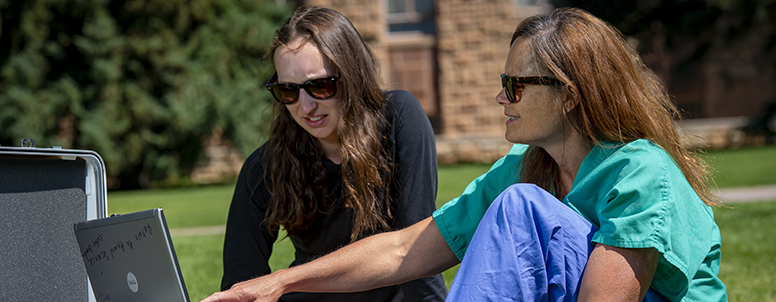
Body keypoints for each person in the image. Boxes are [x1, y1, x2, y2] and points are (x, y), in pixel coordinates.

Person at [204, 7, 728, 302]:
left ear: (569, 94)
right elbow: (404, 250)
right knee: (520, 203)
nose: (501, 97)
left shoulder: (638, 171)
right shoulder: (528, 168)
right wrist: (276, 283)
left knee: (522, 208)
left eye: (515, 85)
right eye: (287, 91)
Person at [218, 5, 446, 302]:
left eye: (320, 86)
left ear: (352, 76)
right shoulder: (265, 166)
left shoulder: (398, 120)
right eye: (288, 90)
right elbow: (240, 282)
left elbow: (417, 252)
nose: (305, 106)